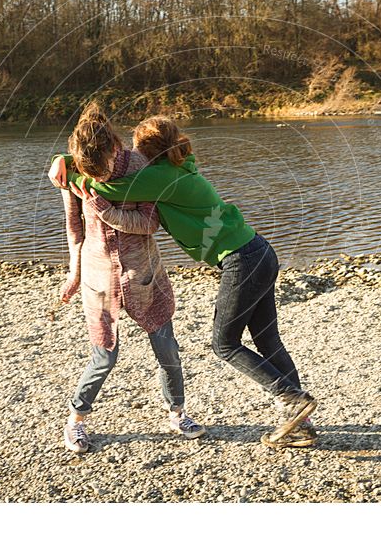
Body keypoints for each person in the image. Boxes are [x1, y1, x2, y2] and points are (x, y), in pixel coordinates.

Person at [50, 115, 317, 448]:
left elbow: (112, 192)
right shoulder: (176, 168)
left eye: (138, 148)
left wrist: (70, 176)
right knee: (267, 340)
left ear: (149, 152)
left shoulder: (157, 177)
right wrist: (63, 163)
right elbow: (80, 219)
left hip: (235, 260)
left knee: (224, 345)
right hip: (258, 251)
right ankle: (301, 423)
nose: (134, 154)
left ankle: (288, 400)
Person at [57, 105, 205, 454]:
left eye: (103, 167)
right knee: (104, 355)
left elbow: (149, 224)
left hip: (143, 274)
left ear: (114, 146)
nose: (99, 176)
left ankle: (178, 412)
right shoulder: (75, 173)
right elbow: (74, 229)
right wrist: (73, 274)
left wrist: (107, 212)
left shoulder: (142, 169)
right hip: (98, 277)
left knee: (166, 348)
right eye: (90, 170)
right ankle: (76, 421)